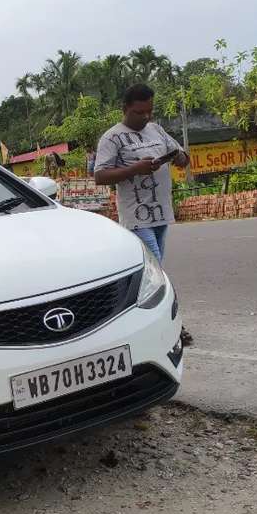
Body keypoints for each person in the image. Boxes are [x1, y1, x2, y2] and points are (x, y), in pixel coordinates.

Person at [93, 83, 194, 346]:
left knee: (151, 273)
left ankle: (139, 322)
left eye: (149, 111)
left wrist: (179, 157)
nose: (145, 117)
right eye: (139, 112)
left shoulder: (156, 130)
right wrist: (135, 169)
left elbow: (183, 157)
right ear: (125, 109)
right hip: (136, 216)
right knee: (156, 271)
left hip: (161, 213)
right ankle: (174, 325)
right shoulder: (112, 138)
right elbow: (100, 176)